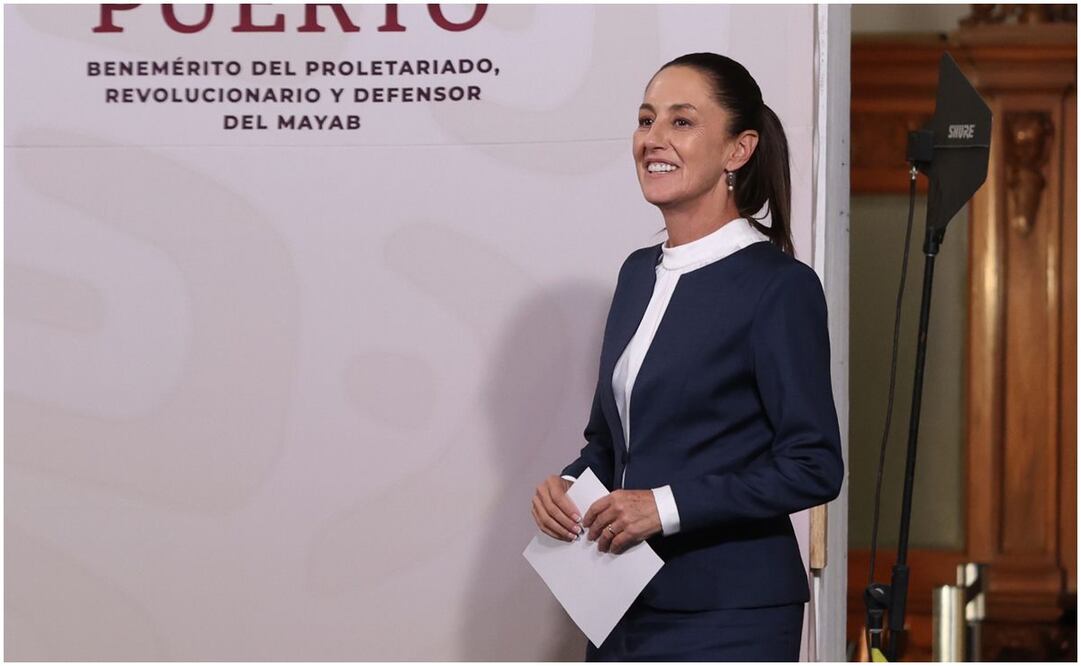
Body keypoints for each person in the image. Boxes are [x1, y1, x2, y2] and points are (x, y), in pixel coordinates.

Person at [530, 52, 844, 661]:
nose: (653, 139)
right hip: (615, 602)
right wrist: (568, 486)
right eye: (646, 120)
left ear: (738, 150)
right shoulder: (635, 275)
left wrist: (664, 507)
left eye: (681, 122)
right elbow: (610, 442)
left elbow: (813, 464)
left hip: (730, 613)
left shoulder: (779, 287)